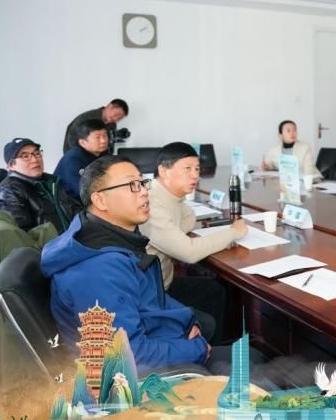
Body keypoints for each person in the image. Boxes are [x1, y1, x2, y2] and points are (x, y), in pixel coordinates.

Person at [41, 155, 220, 372]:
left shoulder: (108, 236)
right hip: (137, 379)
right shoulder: (96, 270)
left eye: (143, 183)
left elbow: (151, 296)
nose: (144, 192)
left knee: (207, 323)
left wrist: (187, 321)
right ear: (100, 200)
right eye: (132, 186)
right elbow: (124, 356)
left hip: (150, 335)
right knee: (249, 363)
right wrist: (196, 349)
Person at [140, 142, 247, 342]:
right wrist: (233, 232)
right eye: (187, 169)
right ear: (164, 171)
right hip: (150, 296)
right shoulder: (150, 202)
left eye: (197, 169)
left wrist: (173, 233)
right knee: (207, 321)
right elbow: (189, 253)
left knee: (214, 290)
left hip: (162, 283)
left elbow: (189, 216)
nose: (194, 175)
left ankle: (216, 349)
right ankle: (204, 351)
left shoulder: (171, 196)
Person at [0, 138, 79, 232]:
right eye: (25, 156)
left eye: (37, 153)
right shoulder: (8, 192)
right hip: (54, 241)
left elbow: (76, 210)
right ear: (11, 165)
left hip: (76, 235)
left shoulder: (52, 181)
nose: (35, 159)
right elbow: (23, 234)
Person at [53, 119, 109, 202]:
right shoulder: (73, 160)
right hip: (69, 203)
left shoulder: (103, 153)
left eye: (105, 135)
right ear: (82, 142)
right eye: (97, 137)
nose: (103, 140)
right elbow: (84, 192)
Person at [62, 98, 129, 153]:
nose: (116, 119)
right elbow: (72, 137)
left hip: (96, 157)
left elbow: (108, 145)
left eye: (119, 118)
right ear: (110, 106)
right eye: (116, 114)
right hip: (76, 155)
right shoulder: (88, 117)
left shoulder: (112, 124)